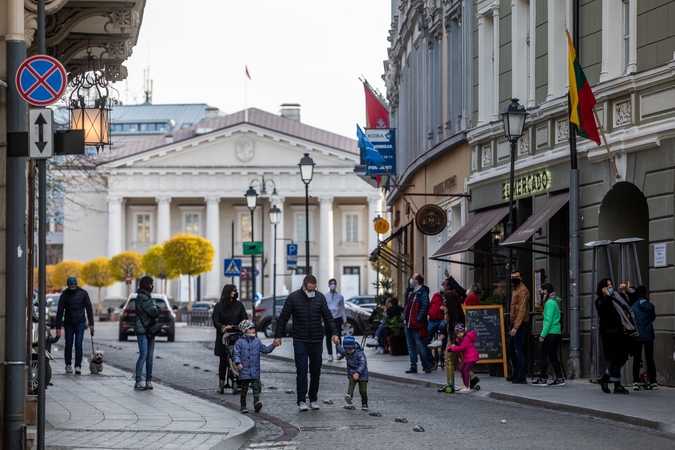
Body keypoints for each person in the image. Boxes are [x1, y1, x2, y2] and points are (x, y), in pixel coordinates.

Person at [274, 275, 339, 411]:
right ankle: (301, 400)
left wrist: (335, 333)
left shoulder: (320, 297)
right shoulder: (293, 298)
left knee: (316, 371)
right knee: (302, 370)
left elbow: (328, 316)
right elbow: (283, 317)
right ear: (303, 286)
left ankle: (313, 398)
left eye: (314, 289)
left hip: (316, 340)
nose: (311, 292)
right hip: (300, 340)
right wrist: (277, 336)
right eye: (309, 289)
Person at [595, 278, 638, 394]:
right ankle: (617, 385)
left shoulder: (619, 297)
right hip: (611, 334)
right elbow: (604, 310)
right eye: (607, 286)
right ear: (602, 288)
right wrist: (607, 296)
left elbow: (633, 302)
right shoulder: (600, 300)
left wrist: (628, 290)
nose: (610, 287)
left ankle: (604, 379)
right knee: (617, 358)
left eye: (611, 285)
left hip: (624, 332)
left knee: (622, 358)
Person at [233, 319, 277, 413]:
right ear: (245, 330)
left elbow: (265, 349)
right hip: (244, 370)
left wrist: (273, 345)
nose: (253, 330)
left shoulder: (257, 341)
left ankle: (256, 404)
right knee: (244, 389)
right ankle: (243, 405)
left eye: (253, 328)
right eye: (250, 328)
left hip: (255, 370)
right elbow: (236, 354)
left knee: (255, 389)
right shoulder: (239, 342)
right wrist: (238, 363)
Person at [438, 290, 478, 392]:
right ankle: (472, 378)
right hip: (453, 338)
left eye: (445, 299)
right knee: (455, 362)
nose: (444, 300)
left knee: (448, 361)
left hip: (453, 339)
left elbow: (455, 329)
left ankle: (450, 384)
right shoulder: (453, 309)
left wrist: (454, 343)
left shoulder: (454, 312)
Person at [212, 284, 248, 393]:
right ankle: (222, 381)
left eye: (236, 290)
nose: (235, 292)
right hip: (224, 337)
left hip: (237, 335)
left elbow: (244, 317)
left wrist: (242, 326)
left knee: (239, 358)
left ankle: (240, 380)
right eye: (233, 290)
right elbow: (216, 321)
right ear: (228, 292)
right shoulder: (219, 306)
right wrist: (223, 327)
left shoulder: (239, 305)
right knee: (223, 360)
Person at [55, 276, 94, 375]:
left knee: (78, 344)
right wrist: (58, 327)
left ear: (76, 285)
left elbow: (89, 309)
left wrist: (91, 324)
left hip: (80, 322)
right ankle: (68, 364)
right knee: (68, 344)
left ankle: (78, 365)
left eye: (73, 285)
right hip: (68, 323)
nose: (72, 287)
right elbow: (60, 311)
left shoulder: (83, 294)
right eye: (70, 285)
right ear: (68, 285)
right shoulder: (64, 295)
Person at [531, 283, 565, 387]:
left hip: (550, 333)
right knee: (553, 356)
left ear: (546, 291)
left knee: (543, 354)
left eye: (541, 290)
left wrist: (542, 335)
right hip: (556, 332)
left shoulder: (549, 303)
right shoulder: (554, 302)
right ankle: (559, 378)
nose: (540, 292)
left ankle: (542, 379)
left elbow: (548, 321)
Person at [133, 276, 161, 390]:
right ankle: (139, 381)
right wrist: (158, 309)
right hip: (143, 330)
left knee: (149, 357)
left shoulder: (146, 296)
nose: (152, 286)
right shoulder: (143, 297)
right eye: (151, 284)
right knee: (143, 355)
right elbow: (153, 312)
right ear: (146, 284)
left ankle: (149, 380)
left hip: (149, 329)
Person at [403, 273, 433, 373]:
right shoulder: (412, 292)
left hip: (416, 324)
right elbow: (406, 306)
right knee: (410, 346)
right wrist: (404, 318)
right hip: (408, 323)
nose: (411, 279)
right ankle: (413, 366)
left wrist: (418, 319)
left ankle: (425, 365)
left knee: (420, 345)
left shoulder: (422, 292)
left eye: (413, 278)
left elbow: (425, 307)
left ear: (417, 281)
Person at [629, 285, 657, 390]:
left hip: (637, 335)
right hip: (649, 335)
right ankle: (653, 382)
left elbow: (631, 320)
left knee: (637, 358)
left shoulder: (633, 307)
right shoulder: (650, 306)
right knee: (650, 358)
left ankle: (636, 381)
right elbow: (653, 318)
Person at [506, 269, 530, 384]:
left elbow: (522, 310)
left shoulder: (522, 291)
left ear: (520, 278)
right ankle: (516, 373)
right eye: (512, 276)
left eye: (516, 276)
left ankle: (522, 375)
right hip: (515, 322)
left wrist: (515, 327)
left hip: (519, 323)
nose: (514, 278)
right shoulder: (515, 289)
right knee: (511, 348)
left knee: (517, 349)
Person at [336, 336, 369, 410]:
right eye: (347, 350)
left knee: (363, 390)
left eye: (351, 350)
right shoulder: (346, 352)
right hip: (352, 372)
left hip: (362, 374)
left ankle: (364, 402)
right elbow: (341, 351)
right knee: (351, 384)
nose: (349, 352)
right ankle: (349, 395)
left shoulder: (360, 353)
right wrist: (337, 344)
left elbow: (363, 364)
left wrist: (358, 373)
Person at [448, 324, 480, 393]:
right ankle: (464, 384)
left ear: (463, 332)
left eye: (460, 333)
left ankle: (467, 386)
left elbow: (461, 348)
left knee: (465, 370)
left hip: (471, 357)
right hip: (467, 358)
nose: (458, 335)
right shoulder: (462, 339)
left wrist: (452, 348)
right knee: (462, 369)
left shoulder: (466, 339)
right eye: (457, 334)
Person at [325, 278, 347, 362]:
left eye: (334, 283)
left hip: (337, 318)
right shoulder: (325, 296)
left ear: (336, 285)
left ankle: (338, 352)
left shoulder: (340, 296)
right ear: (329, 285)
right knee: (328, 337)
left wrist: (344, 320)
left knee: (337, 335)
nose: (332, 285)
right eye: (331, 283)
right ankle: (330, 354)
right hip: (328, 318)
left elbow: (342, 309)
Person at [426, 281, 447, 349]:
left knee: (444, 326)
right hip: (433, 319)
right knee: (427, 333)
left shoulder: (448, 295)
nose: (442, 286)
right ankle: (427, 349)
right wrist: (430, 312)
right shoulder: (436, 295)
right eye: (441, 284)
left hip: (442, 319)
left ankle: (442, 345)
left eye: (443, 284)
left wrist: (444, 308)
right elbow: (431, 305)